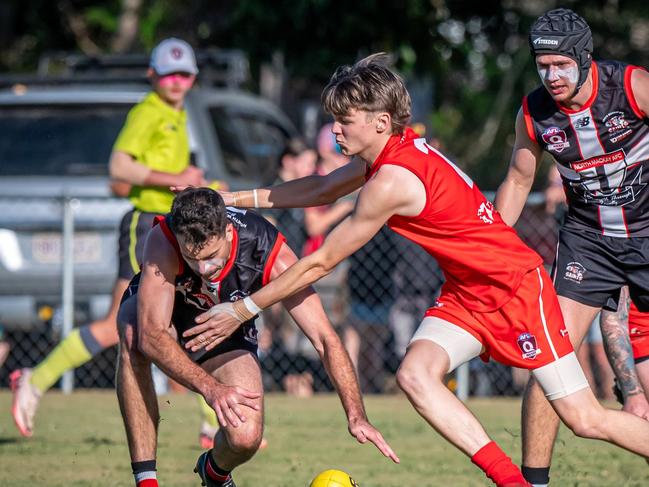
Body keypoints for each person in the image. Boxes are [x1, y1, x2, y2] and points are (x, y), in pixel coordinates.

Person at [183, 53, 649, 487]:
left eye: (344, 121)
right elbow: (323, 188)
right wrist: (234, 199)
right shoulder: (394, 149)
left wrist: (242, 308)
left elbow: (321, 261)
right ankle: (512, 482)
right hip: (468, 293)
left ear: (380, 122)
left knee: (585, 418)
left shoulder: (391, 181)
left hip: (517, 291)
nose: (336, 131)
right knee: (416, 374)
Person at [116, 187, 398, 487]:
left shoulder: (264, 247)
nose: (203, 269)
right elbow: (152, 335)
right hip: (172, 311)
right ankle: (146, 481)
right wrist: (211, 389)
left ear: (227, 231)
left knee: (246, 436)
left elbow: (325, 338)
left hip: (226, 325)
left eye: (211, 257)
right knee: (134, 333)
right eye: (192, 258)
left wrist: (356, 414)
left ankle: (214, 473)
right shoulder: (166, 237)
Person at [10, 38, 212, 438]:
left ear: (193, 78)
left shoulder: (175, 112)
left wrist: (195, 185)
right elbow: (119, 166)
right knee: (135, 325)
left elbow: (130, 179)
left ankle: (215, 420)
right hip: (147, 229)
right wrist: (177, 180)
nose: (176, 81)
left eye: (184, 73)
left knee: (168, 323)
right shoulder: (149, 111)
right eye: (168, 73)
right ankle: (35, 380)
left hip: (164, 225)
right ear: (152, 75)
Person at [494, 8, 649, 486]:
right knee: (550, 354)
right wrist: (489, 246)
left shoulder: (632, 86)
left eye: (561, 64)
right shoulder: (534, 111)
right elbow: (519, 181)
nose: (551, 75)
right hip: (588, 242)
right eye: (543, 65)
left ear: (585, 58)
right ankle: (533, 481)